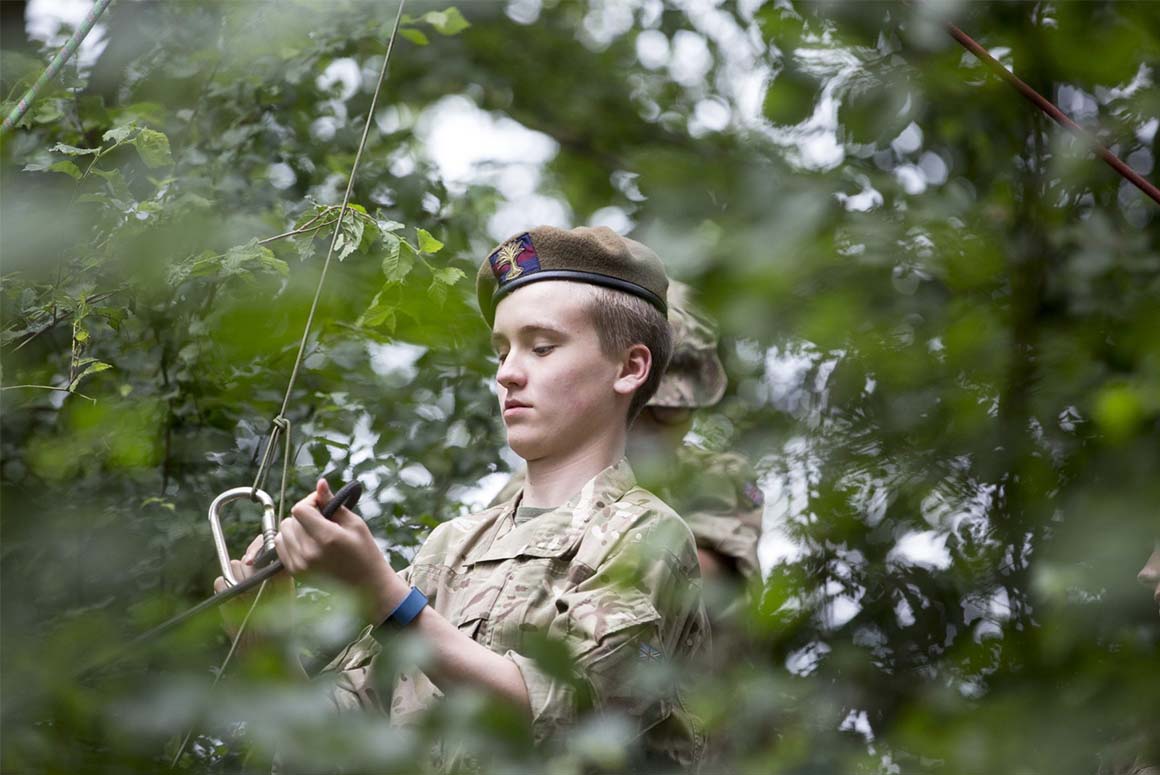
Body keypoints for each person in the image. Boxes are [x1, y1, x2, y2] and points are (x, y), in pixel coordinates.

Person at [218, 226, 708, 768]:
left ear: (630, 368)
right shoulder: (449, 547)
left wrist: (381, 594)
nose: (508, 373)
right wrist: (262, 639)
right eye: (502, 351)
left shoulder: (645, 535)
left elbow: (558, 718)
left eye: (542, 347)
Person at [489, 280, 764, 599]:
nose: (649, 430)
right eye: (638, 413)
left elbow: (701, 582)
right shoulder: (527, 491)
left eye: (668, 413)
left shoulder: (718, 478)